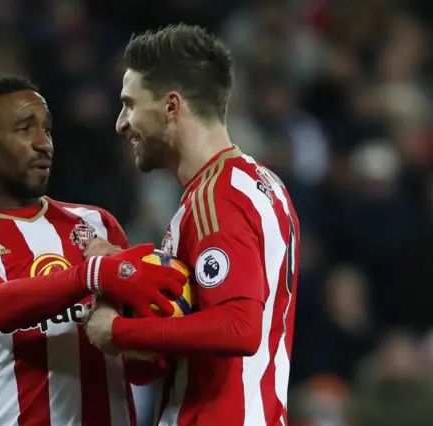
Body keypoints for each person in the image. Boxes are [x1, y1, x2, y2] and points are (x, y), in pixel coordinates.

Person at [0, 75, 187, 426]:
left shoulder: (96, 223)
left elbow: (141, 368)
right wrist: (96, 274)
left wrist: (158, 334)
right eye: (25, 129)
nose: (44, 144)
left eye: (48, 130)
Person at [83, 24, 301, 426]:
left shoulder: (216, 200)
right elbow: (182, 337)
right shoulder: (259, 183)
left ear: (171, 106)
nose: (121, 123)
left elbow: (239, 327)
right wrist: (130, 278)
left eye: (130, 104)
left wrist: (119, 331)